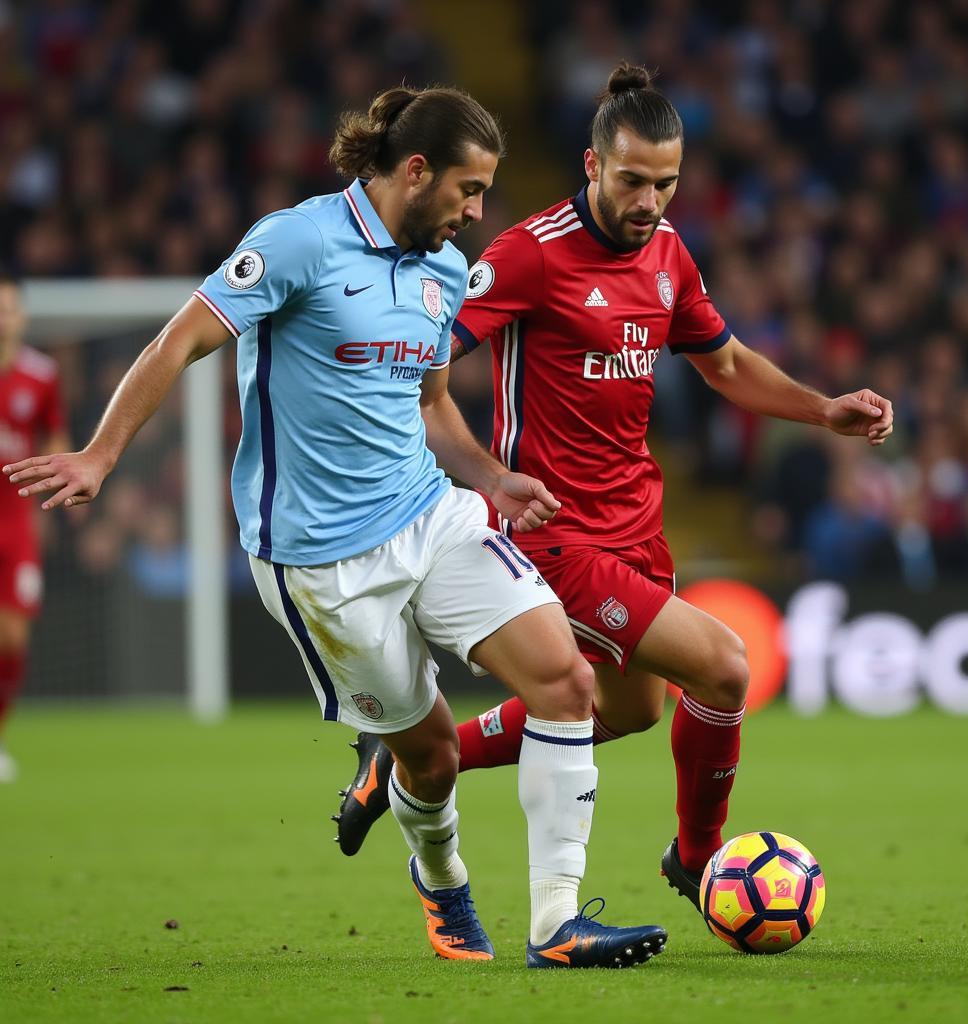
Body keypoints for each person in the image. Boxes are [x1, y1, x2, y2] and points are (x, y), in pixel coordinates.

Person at [4, 85, 666, 969]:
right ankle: (443, 879)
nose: (477, 212)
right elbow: (177, 342)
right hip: (320, 562)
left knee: (566, 682)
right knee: (428, 760)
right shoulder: (297, 241)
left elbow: (429, 404)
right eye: (469, 191)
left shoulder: (439, 271)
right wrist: (99, 454)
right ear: (416, 171)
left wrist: (493, 477)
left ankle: (555, 924)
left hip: (430, 513)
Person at [333, 63, 894, 917]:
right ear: (593, 166)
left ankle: (405, 757)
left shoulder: (669, 255)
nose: (650, 200)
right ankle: (700, 857)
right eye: (632, 180)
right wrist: (477, 472)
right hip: (552, 533)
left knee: (628, 710)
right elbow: (428, 362)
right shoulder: (531, 254)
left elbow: (729, 365)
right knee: (725, 667)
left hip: (636, 524)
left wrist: (823, 410)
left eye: (666, 184)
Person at [0, 276, 69, 782]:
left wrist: (63, 481)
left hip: (16, 523)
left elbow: (55, 431)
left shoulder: (41, 374)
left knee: (13, 636)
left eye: (9, 308)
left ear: (22, 316)